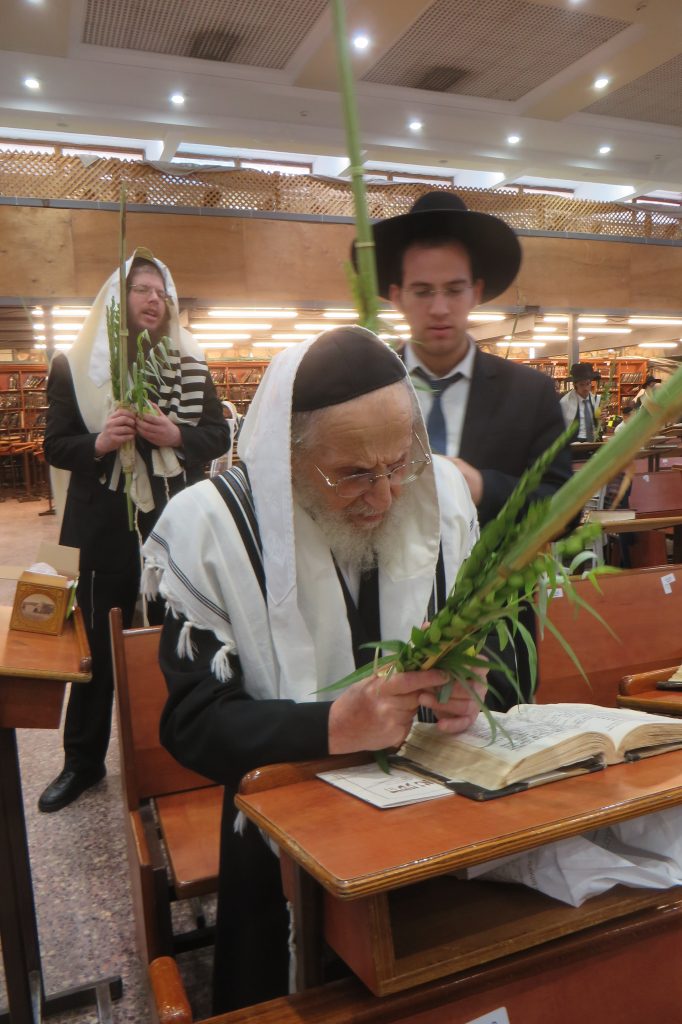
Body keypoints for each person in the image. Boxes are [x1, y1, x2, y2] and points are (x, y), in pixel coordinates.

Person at [142, 326, 481, 1011]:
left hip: (432, 829)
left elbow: (487, 648)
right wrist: (330, 724)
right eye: (352, 474)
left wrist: (472, 689)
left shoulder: (438, 497)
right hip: (276, 849)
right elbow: (191, 724)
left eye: (397, 463)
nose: (384, 497)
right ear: (286, 461)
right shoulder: (210, 529)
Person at [364, 190, 572, 709]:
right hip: (380, 628)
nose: (439, 308)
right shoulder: (363, 392)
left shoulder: (530, 394)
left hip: (496, 630)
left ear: (476, 291)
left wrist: (481, 486)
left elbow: (563, 507)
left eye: (454, 289)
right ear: (395, 294)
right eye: (422, 290)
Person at [38, 249, 229, 813]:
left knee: (178, 639)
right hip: (103, 527)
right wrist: (99, 443)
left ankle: (176, 752)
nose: (153, 299)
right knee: (96, 646)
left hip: (173, 524)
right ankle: (82, 761)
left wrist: (177, 435)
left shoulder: (190, 362)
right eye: (142, 289)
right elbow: (55, 444)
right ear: (117, 302)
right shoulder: (74, 366)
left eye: (161, 291)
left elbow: (216, 434)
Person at [560, 363, 602, 440]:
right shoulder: (565, 402)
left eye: (588, 384)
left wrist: (601, 419)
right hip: (574, 443)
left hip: (593, 441)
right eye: (581, 385)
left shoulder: (596, 400)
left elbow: (599, 424)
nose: (585, 388)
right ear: (575, 385)